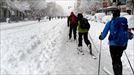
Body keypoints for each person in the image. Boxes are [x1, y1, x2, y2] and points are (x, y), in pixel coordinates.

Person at [99, 9, 133, 75]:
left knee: (114, 60)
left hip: (113, 45)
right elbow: (129, 35)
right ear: (119, 14)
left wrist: (101, 37)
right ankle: (119, 73)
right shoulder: (123, 22)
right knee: (118, 59)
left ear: (113, 14)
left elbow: (104, 33)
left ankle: (116, 73)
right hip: (122, 45)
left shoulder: (110, 22)